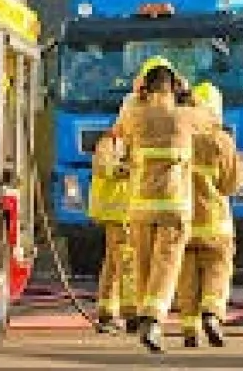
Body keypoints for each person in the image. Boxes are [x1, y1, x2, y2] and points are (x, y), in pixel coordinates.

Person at [109, 56, 211, 353]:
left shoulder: (134, 116)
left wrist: (135, 97)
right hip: (174, 206)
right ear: (174, 86)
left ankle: (146, 314)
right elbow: (212, 121)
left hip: (141, 206)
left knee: (143, 265)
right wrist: (189, 94)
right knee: (166, 264)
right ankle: (153, 319)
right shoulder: (185, 116)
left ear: (143, 87)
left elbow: (118, 132)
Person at [176, 81, 243, 348]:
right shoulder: (222, 140)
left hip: (183, 223)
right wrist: (241, 166)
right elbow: (229, 186)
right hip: (215, 224)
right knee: (217, 271)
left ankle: (189, 330)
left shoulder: (179, 137)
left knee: (186, 278)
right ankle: (211, 313)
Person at [89, 130, 138, 334]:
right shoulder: (111, 142)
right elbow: (103, 167)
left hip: (122, 212)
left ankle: (107, 311)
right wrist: (128, 170)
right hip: (117, 212)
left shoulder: (131, 143)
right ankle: (131, 313)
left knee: (112, 263)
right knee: (127, 261)